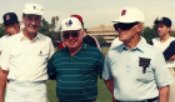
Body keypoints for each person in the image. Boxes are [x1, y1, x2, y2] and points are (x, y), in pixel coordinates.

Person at [102, 7, 173, 102]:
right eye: (117, 26)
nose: (120, 29)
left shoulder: (154, 53)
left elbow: (164, 87)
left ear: (139, 27)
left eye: (125, 26)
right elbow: (107, 79)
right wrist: (120, 94)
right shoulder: (111, 54)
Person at [0, 3, 55, 102]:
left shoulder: (47, 42)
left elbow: (55, 68)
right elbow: (3, 72)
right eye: (29, 18)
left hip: (38, 92)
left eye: (37, 19)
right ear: (23, 19)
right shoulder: (10, 41)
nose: (33, 23)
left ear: (40, 21)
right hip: (14, 91)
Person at [48, 17, 104, 102]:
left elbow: (107, 77)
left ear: (82, 33)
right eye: (66, 35)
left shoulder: (95, 53)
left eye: (74, 34)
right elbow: (52, 75)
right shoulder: (57, 56)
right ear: (63, 36)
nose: (71, 38)